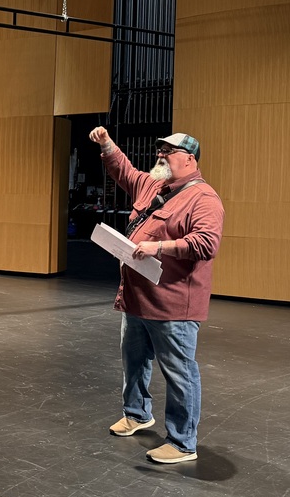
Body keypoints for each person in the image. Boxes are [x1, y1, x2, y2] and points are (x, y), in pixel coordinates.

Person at [90, 127, 224, 464]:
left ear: (190, 160)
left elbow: (206, 244)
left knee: (179, 372)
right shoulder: (153, 185)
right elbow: (125, 172)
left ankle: (182, 442)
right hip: (138, 297)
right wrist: (107, 145)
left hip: (173, 304)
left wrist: (159, 246)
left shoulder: (203, 198)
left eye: (169, 152)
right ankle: (137, 414)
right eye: (160, 151)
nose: (160, 156)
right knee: (134, 361)